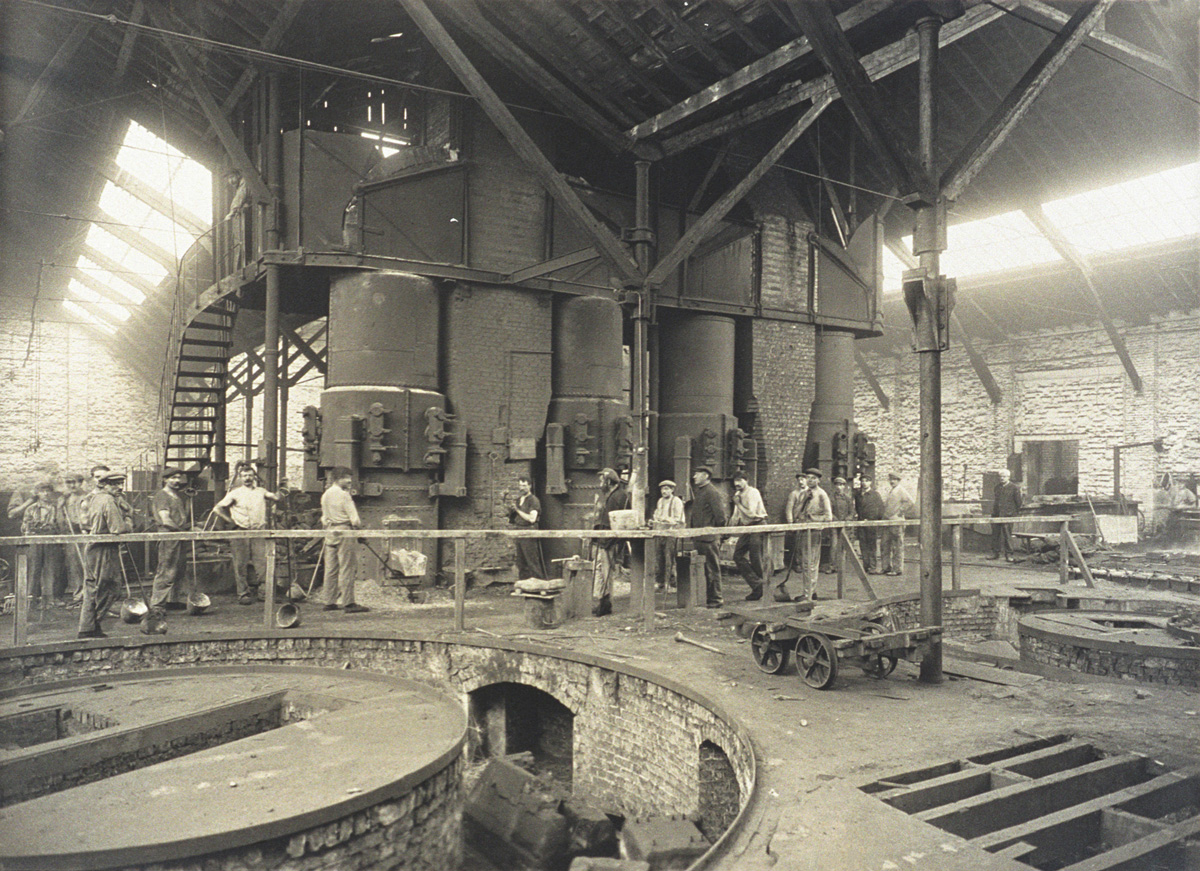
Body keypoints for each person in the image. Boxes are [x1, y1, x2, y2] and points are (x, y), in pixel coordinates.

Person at [214, 462, 282, 605]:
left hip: (258, 532)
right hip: (240, 532)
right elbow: (217, 509)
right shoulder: (235, 493)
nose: (247, 478)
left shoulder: (261, 491)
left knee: (262, 563)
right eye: (244, 476)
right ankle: (243, 594)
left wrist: (283, 487)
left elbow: (276, 498)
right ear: (240, 477)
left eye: (250, 475)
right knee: (240, 564)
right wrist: (230, 521)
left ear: (254, 477)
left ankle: (264, 594)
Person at [78, 472, 131, 638]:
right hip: (104, 549)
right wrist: (129, 520)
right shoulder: (107, 500)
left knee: (93, 589)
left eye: (121, 483)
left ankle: (87, 628)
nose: (120, 487)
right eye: (115, 484)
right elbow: (118, 528)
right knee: (111, 587)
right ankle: (94, 623)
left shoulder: (94, 498)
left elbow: (86, 523)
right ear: (104, 485)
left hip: (93, 547)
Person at [321, 467, 369, 613]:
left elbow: (323, 518)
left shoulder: (326, 495)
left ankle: (329, 602)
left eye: (350, 477)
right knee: (347, 568)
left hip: (330, 531)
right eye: (346, 477)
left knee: (330, 568)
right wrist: (360, 534)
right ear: (337, 478)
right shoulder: (344, 495)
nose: (350, 480)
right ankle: (348, 603)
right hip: (344, 532)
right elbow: (355, 520)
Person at [13, 481, 65, 610]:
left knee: (50, 570)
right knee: (34, 570)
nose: (46, 494)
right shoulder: (31, 508)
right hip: (35, 543)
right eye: (42, 491)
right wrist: (32, 530)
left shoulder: (55, 508)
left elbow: (60, 526)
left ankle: (50, 600)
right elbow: (25, 527)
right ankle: (31, 600)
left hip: (50, 542)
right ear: (37, 493)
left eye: (48, 491)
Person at [149, 468, 191, 611]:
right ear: (165, 480)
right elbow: (165, 520)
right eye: (173, 477)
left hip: (178, 536)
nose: (177, 480)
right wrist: (182, 532)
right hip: (168, 536)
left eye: (179, 477)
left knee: (178, 570)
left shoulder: (176, 495)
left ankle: (172, 601)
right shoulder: (162, 496)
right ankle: (157, 605)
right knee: (166, 570)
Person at [591, 467, 630, 617]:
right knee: (603, 572)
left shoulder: (616, 497)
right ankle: (603, 604)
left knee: (605, 573)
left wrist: (605, 541)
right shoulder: (615, 495)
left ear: (609, 481)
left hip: (609, 541)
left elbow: (614, 523)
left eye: (602, 480)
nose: (600, 483)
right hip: (607, 540)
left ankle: (605, 606)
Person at [688, 466, 728, 608]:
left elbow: (721, 517)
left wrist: (714, 532)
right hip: (700, 537)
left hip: (709, 538)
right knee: (705, 569)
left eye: (697, 474)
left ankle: (716, 599)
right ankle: (708, 598)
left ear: (705, 475)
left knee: (712, 569)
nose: (694, 477)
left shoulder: (712, 492)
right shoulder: (701, 492)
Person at [730, 471, 770, 601]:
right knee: (737, 555)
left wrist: (738, 504)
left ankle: (765, 587)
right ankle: (757, 585)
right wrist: (727, 529)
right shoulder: (737, 494)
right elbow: (736, 516)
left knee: (755, 557)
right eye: (735, 481)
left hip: (758, 524)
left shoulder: (753, 492)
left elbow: (752, 514)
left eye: (740, 480)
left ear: (746, 480)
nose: (737, 483)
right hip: (748, 527)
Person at [798, 468, 832, 600]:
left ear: (818, 480)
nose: (810, 480)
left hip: (814, 532)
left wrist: (813, 519)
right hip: (804, 531)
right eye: (808, 477)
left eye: (813, 478)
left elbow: (828, 517)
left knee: (811, 563)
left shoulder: (822, 494)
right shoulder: (805, 493)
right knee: (806, 563)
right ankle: (810, 591)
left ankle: (809, 594)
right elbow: (799, 512)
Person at [509, 474, 547, 581]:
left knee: (532, 561)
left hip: (529, 532)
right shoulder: (518, 500)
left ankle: (539, 583)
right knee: (521, 562)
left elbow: (532, 519)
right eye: (520, 485)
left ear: (530, 486)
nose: (522, 488)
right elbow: (514, 517)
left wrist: (517, 510)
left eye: (524, 485)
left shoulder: (533, 500)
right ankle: (524, 585)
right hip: (519, 532)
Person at [650, 479, 685, 591]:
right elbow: (657, 515)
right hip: (660, 533)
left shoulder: (676, 501)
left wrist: (665, 519)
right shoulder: (660, 501)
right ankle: (660, 583)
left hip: (671, 533)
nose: (663, 491)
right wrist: (654, 520)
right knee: (659, 558)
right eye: (662, 489)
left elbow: (678, 520)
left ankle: (672, 584)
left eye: (666, 489)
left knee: (669, 558)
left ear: (672, 490)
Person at [61, 473, 88, 603]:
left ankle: (89, 595)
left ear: (81, 482)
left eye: (74, 482)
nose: (72, 485)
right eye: (68, 483)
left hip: (85, 534)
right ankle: (78, 595)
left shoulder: (88, 497)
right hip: (71, 535)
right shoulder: (65, 499)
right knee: (74, 565)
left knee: (87, 564)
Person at [881, 472, 914, 576]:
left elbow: (910, 502)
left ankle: (897, 569)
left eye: (894, 479)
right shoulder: (891, 491)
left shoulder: (901, 490)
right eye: (891, 479)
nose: (892, 481)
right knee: (885, 544)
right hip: (887, 521)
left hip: (896, 522)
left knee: (897, 546)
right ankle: (886, 567)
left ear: (898, 481)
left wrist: (900, 512)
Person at [990, 469, 1022, 562]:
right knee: (995, 534)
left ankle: (1009, 554)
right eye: (1000, 477)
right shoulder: (997, 487)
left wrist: (1012, 514)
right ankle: (995, 553)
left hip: (1008, 515)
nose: (1002, 478)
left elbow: (1018, 503)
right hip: (996, 514)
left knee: (1007, 535)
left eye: (1004, 476)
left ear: (1008, 477)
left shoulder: (1014, 488)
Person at [828, 476, 858, 574]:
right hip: (834, 525)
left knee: (844, 545)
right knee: (834, 545)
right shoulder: (831, 498)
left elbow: (852, 511)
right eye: (837, 484)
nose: (839, 487)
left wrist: (847, 519)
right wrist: (834, 518)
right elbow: (828, 511)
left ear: (844, 487)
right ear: (834, 486)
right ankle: (832, 565)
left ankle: (842, 565)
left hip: (844, 525)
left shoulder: (847, 499)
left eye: (841, 485)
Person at [856, 476, 885, 574]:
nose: (864, 483)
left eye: (867, 481)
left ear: (870, 483)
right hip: (861, 524)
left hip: (871, 524)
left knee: (872, 546)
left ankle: (873, 567)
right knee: (863, 545)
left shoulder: (875, 495)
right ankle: (866, 567)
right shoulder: (858, 495)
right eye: (862, 481)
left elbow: (880, 509)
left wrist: (873, 520)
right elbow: (857, 508)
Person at [783, 473, 810, 572]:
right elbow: (789, 509)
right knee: (798, 544)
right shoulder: (794, 494)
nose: (801, 481)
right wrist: (790, 522)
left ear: (807, 480)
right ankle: (798, 563)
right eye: (799, 479)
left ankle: (807, 563)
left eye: (803, 479)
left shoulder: (812, 493)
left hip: (809, 521)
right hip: (798, 521)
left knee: (808, 543)